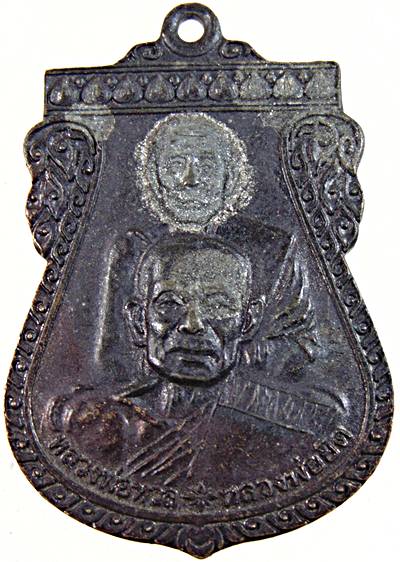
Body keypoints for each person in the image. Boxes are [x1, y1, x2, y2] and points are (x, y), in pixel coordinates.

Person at [44, 234, 342, 487]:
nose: (193, 324)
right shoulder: (99, 420)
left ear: (248, 322)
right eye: (170, 304)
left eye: (218, 305)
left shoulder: (292, 424)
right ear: (138, 321)